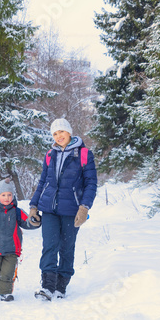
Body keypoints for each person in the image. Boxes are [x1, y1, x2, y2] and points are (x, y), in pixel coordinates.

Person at [28, 118, 98, 300]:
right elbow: (43, 181)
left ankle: (61, 286)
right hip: (49, 208)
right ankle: (47, 286)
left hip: (71, 209)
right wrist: (33, 206)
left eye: (61, 132)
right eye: (55, 133)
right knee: (49, 246)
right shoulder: (50, 155)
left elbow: (91, 183)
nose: (59, 136)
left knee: (67, 248)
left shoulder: (83, 154)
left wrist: (84, 207)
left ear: (69, 132)